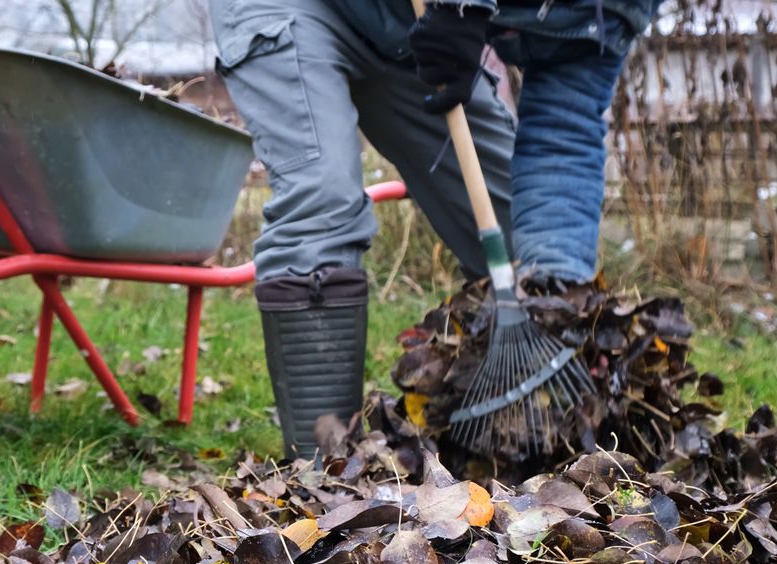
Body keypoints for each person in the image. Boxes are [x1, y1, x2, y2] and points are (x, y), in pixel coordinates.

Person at [208, 0, 659, 460]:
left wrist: (558, 297)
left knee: (520, 240)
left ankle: (522, 441)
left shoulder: (613, 10)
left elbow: (565, 130)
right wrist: (460, 7)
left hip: (414, 31)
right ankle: (320, 470)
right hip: (296, 8)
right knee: (321, 198)